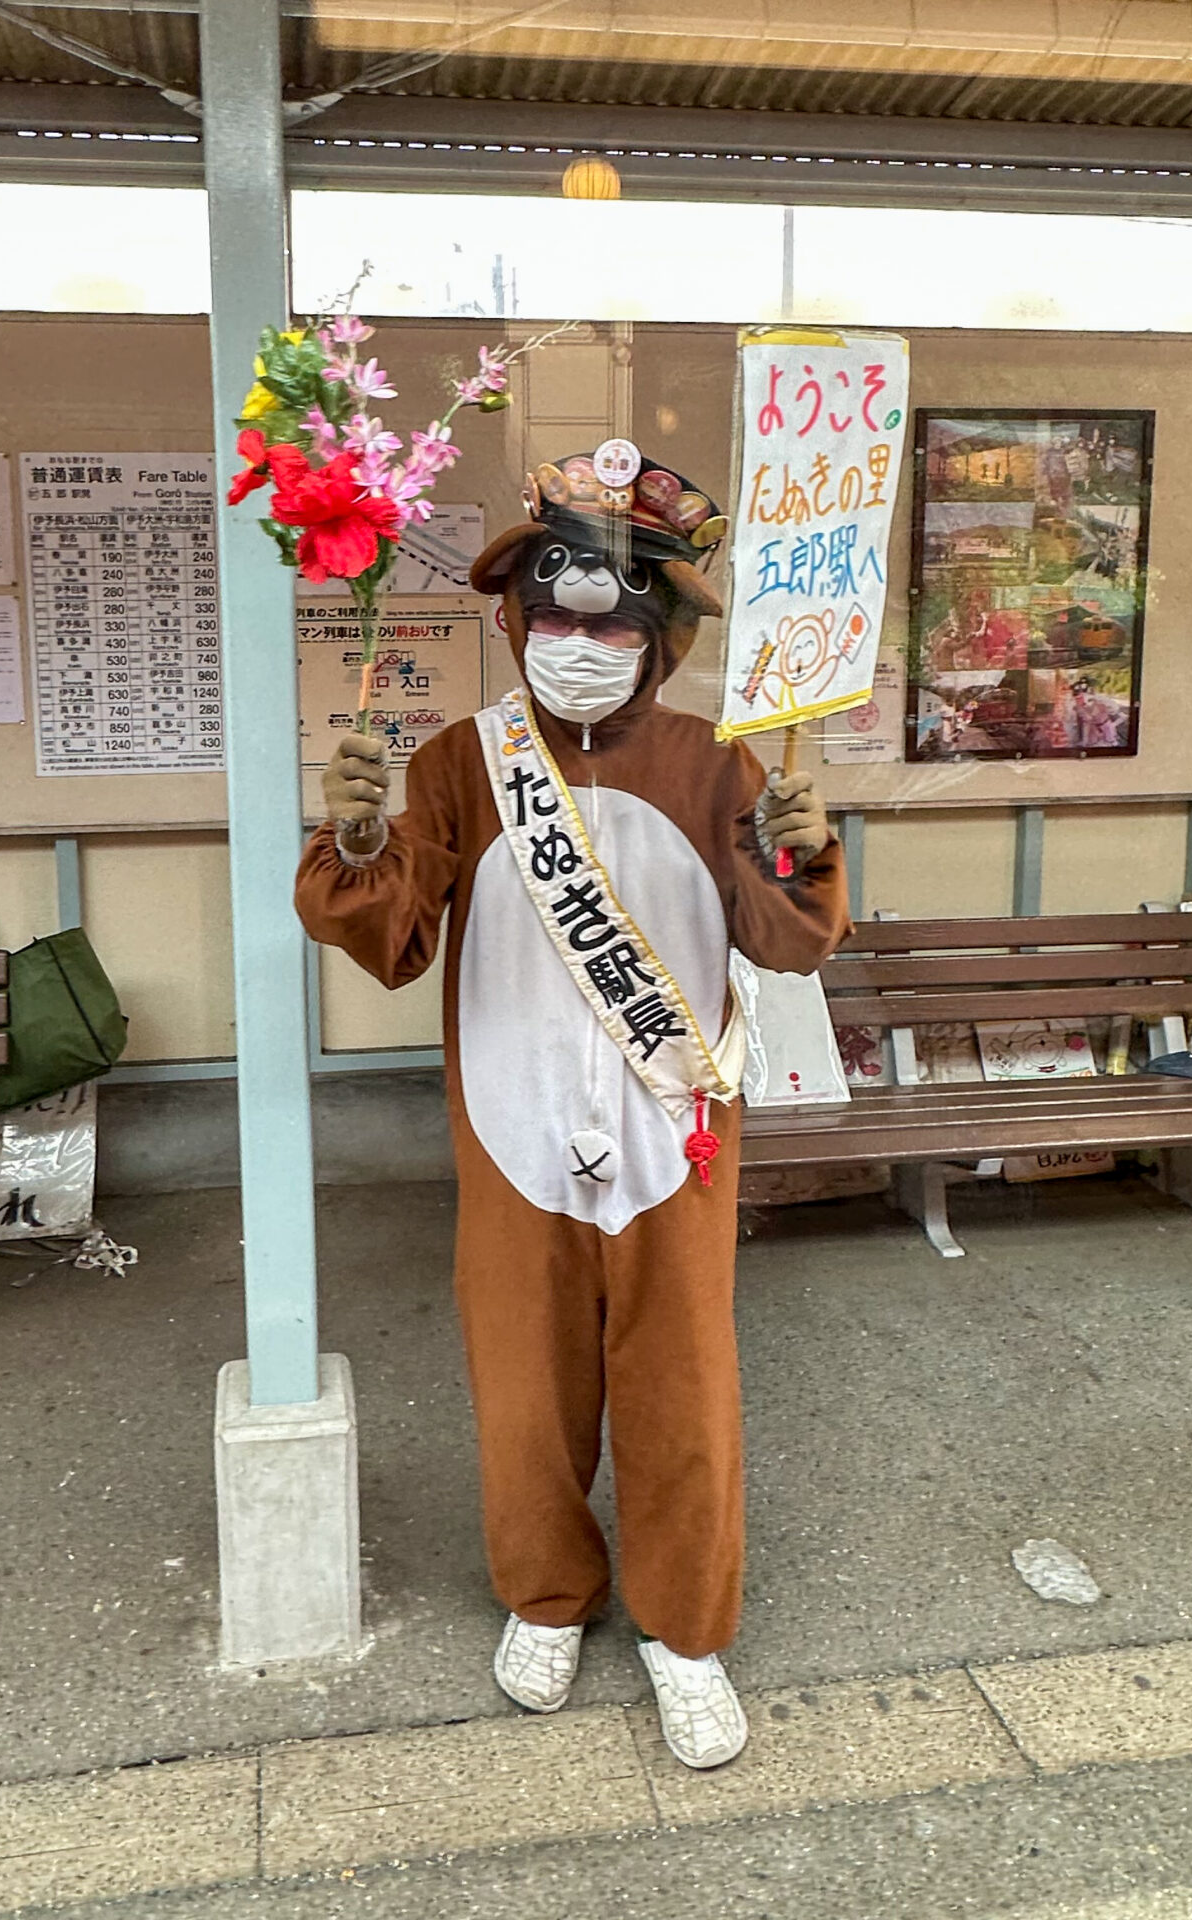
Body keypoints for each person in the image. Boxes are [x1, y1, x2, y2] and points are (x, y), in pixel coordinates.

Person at [295, 446, 851, 1770]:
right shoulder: (455, 764)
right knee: (526, 1384)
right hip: (512, 1129)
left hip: (681, 1132)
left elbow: (788, 941)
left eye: (613, 619)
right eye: (557, 614)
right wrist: (358, 841)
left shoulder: (726, 766)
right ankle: (547, 1592)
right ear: (513, 620)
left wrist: (803, 839)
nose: (582, 639)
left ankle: (685, 1630)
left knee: (683, 1386)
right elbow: (389, 934)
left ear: (657, 634)